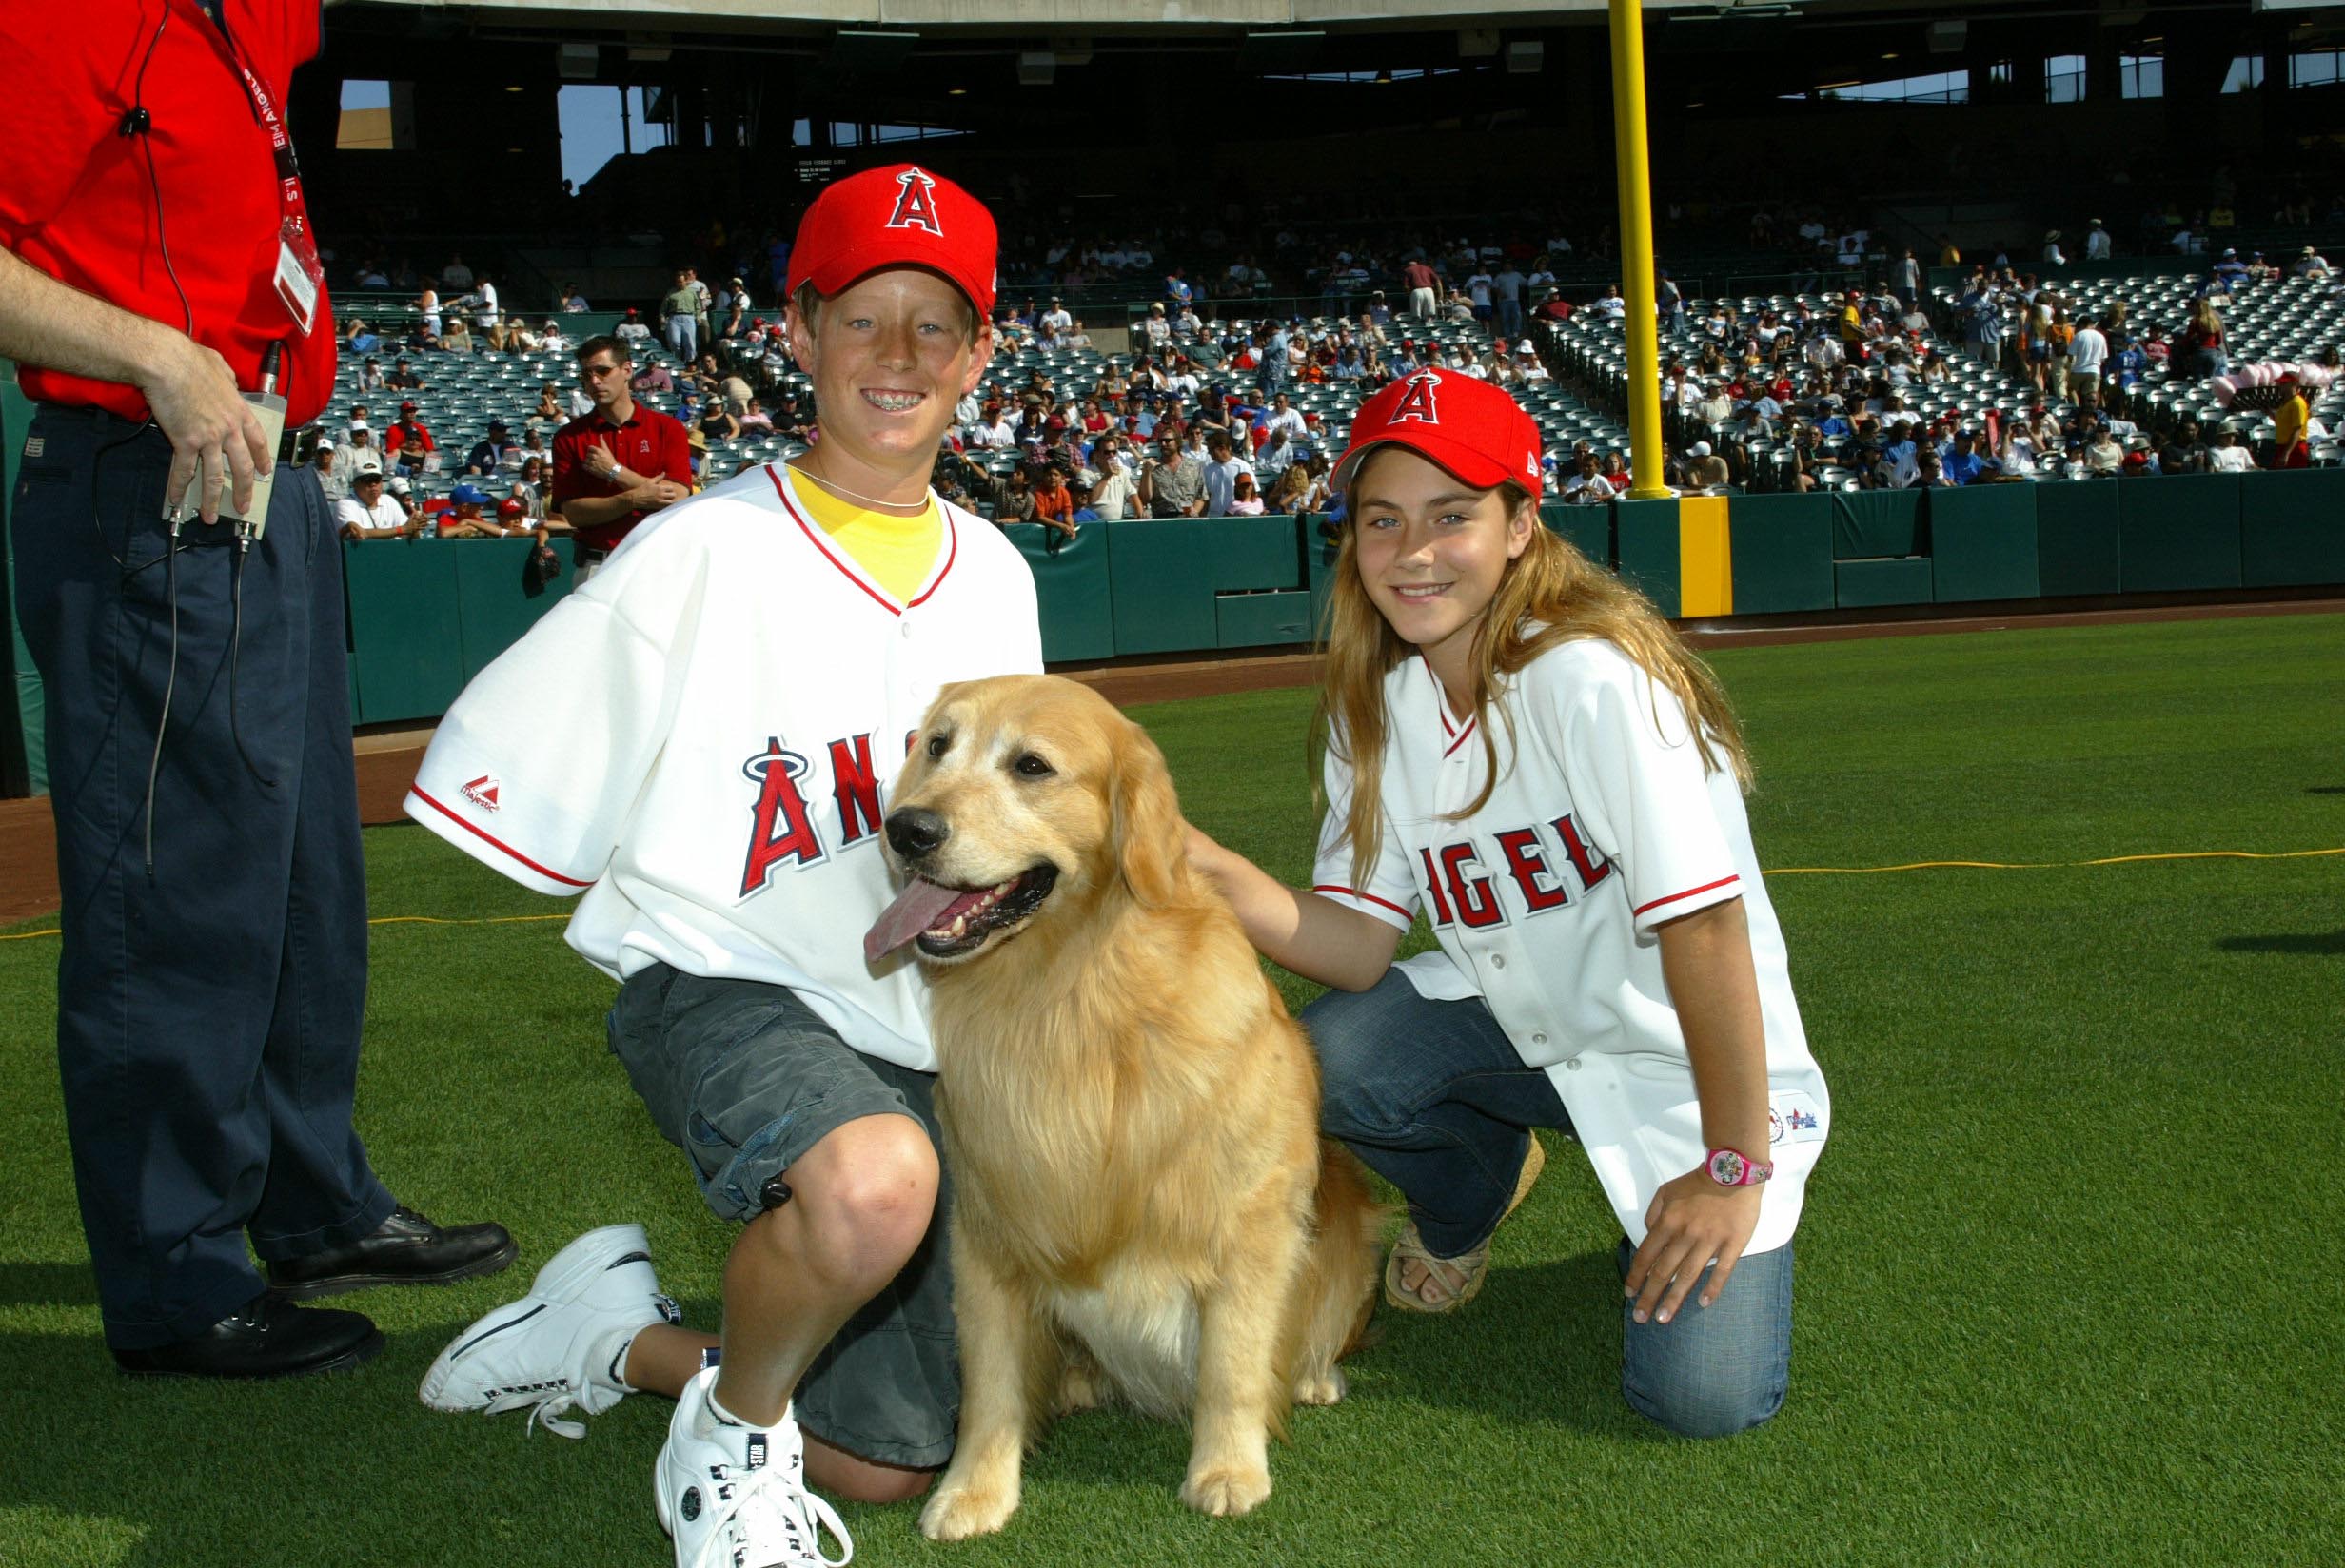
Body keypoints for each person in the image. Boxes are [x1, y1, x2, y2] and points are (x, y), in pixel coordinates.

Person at [407, 165, 1040, 1568]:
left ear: (982, 355)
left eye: (935, 325)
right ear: (796, 333)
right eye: (861, 315)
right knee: (874, 1183)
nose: (897, 354)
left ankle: (618, 1342)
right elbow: (490, 778)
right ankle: (730, 1443)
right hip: (724, 980)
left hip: (920, 1025)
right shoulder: (696, 549)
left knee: (885, 1462)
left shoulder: (998, 573)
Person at [0, 0, 511, 1382]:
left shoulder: (248, 14)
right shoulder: (58, 18)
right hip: (138, 474)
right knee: (176, 895)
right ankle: (175, 1275)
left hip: (266, 481)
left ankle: (307, 1200)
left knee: (299, 888)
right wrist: (157, 353)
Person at [1186, 368, 1826, 1438]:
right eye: (1382, 520)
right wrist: (1189, 856)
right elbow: (1351, 947)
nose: (1414, 551)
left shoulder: (1591, 680)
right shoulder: (1379, 701)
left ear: (1522, 523)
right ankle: (1474, 1187)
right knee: (1324, 1062)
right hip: (1520, 1025)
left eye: (1453, 516)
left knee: (1699, 1400)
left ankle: (1671, 1197)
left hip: (1682, 1063)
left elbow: (1705, 929)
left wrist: (1727, 1167)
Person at [551, 335, 696, 581]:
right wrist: (633, 499)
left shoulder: (667, 428)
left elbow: (677, 497)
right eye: (586, 375)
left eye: (603, 371)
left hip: (657, 565)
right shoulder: (569, 437)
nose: (594, 382)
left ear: (627, 369)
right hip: (597, 565)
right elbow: (574, 513)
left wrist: (614, 472)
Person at [335, 466, 416, 539]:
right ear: (355, 484)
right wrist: (401, 530)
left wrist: (416, 526)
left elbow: (408, 531)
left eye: (376, 479)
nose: (373, 484)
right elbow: (360, 533)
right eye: (367, 480)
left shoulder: (389, 500)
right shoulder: (345, 504)